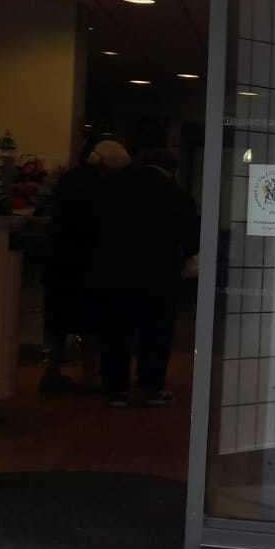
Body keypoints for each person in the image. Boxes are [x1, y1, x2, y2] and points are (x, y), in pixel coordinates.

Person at [86, 142, 199, 407]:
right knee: (156, 333)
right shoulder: (177, 195)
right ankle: (151, 386)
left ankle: (116, 389)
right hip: (160, 275)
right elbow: (191, 236)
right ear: (172, 169)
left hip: (117, 272)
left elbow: (97, 228)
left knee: (117, 333)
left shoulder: (115, 188)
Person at [38, 137, 106, 393]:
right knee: (90, 324)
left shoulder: (67, 180)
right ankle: (90, 377)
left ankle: (51, 372)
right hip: (88, 263)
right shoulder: (101, 184)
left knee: (57, 323)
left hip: (59, 260)